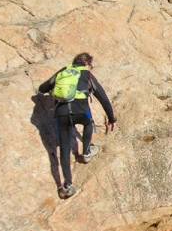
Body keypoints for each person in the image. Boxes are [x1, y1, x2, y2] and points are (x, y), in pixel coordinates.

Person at [39, 53, 116, 199]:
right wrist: (112, 118)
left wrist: (45, 93)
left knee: (65, 148)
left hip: (61, 114)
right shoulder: (87, 75)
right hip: (81, 112)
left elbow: (43, 87)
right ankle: (86, 153)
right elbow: (103, 97)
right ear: (86, 63)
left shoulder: (63, 71)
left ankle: (67, 186)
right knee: (88, 122)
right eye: (91, 65)